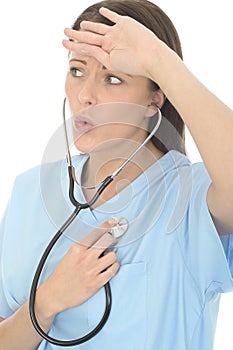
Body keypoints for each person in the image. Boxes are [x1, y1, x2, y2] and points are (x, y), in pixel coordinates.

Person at [0, 0, 233, 349]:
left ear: (156, 98)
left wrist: (157, 58)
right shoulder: (30, 190)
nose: (84, 95)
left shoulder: (189, 202)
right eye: (77, 70)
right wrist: (46, 302)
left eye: (112, 78)